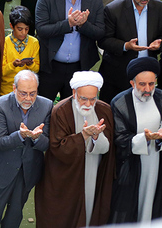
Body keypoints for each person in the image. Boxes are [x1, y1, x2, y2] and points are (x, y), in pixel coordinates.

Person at [34, 71, 114, 228]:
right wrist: (83, 135)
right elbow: (58, 149)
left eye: (93, 99)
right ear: (74, 93)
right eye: (83, 98)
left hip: (94, 171)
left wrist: (97, 137)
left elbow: (108, 150)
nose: (88, 104)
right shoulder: (61, 110)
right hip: (67, 175)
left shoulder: (104, 110)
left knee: (91, 210)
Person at [0, 70, 52, 228]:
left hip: (28, 171)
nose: (28, 98)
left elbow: (47, 145)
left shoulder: (47, 105)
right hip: (2, 169)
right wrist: (21, 135)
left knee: (15, 213)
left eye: (33, 93)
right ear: (14, 88)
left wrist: (37, 137)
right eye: (23, 93)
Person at [110, 56, 162, 223]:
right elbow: (120, 138)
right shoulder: (120, 103)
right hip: (130, 165)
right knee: (127, 204)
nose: (148, 89)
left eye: (151, 84)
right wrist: (144, 138)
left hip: (157, 161)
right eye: (142, 84)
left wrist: (161, 138)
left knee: (153, 201)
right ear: (132, 83)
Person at [35, 0, 105, 102]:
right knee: (44, 107)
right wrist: (68, 24)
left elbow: (100, 32)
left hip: (79, 68)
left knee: (72, 111)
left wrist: (83, 25)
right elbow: (41, 29)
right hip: (50, 67)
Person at [98, 0, 162, 102]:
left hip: (146, 73)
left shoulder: (161, 8)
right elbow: (103, 41)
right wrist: (126, 46)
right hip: (117, 74)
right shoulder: (113, 9)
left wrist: (160, 43)